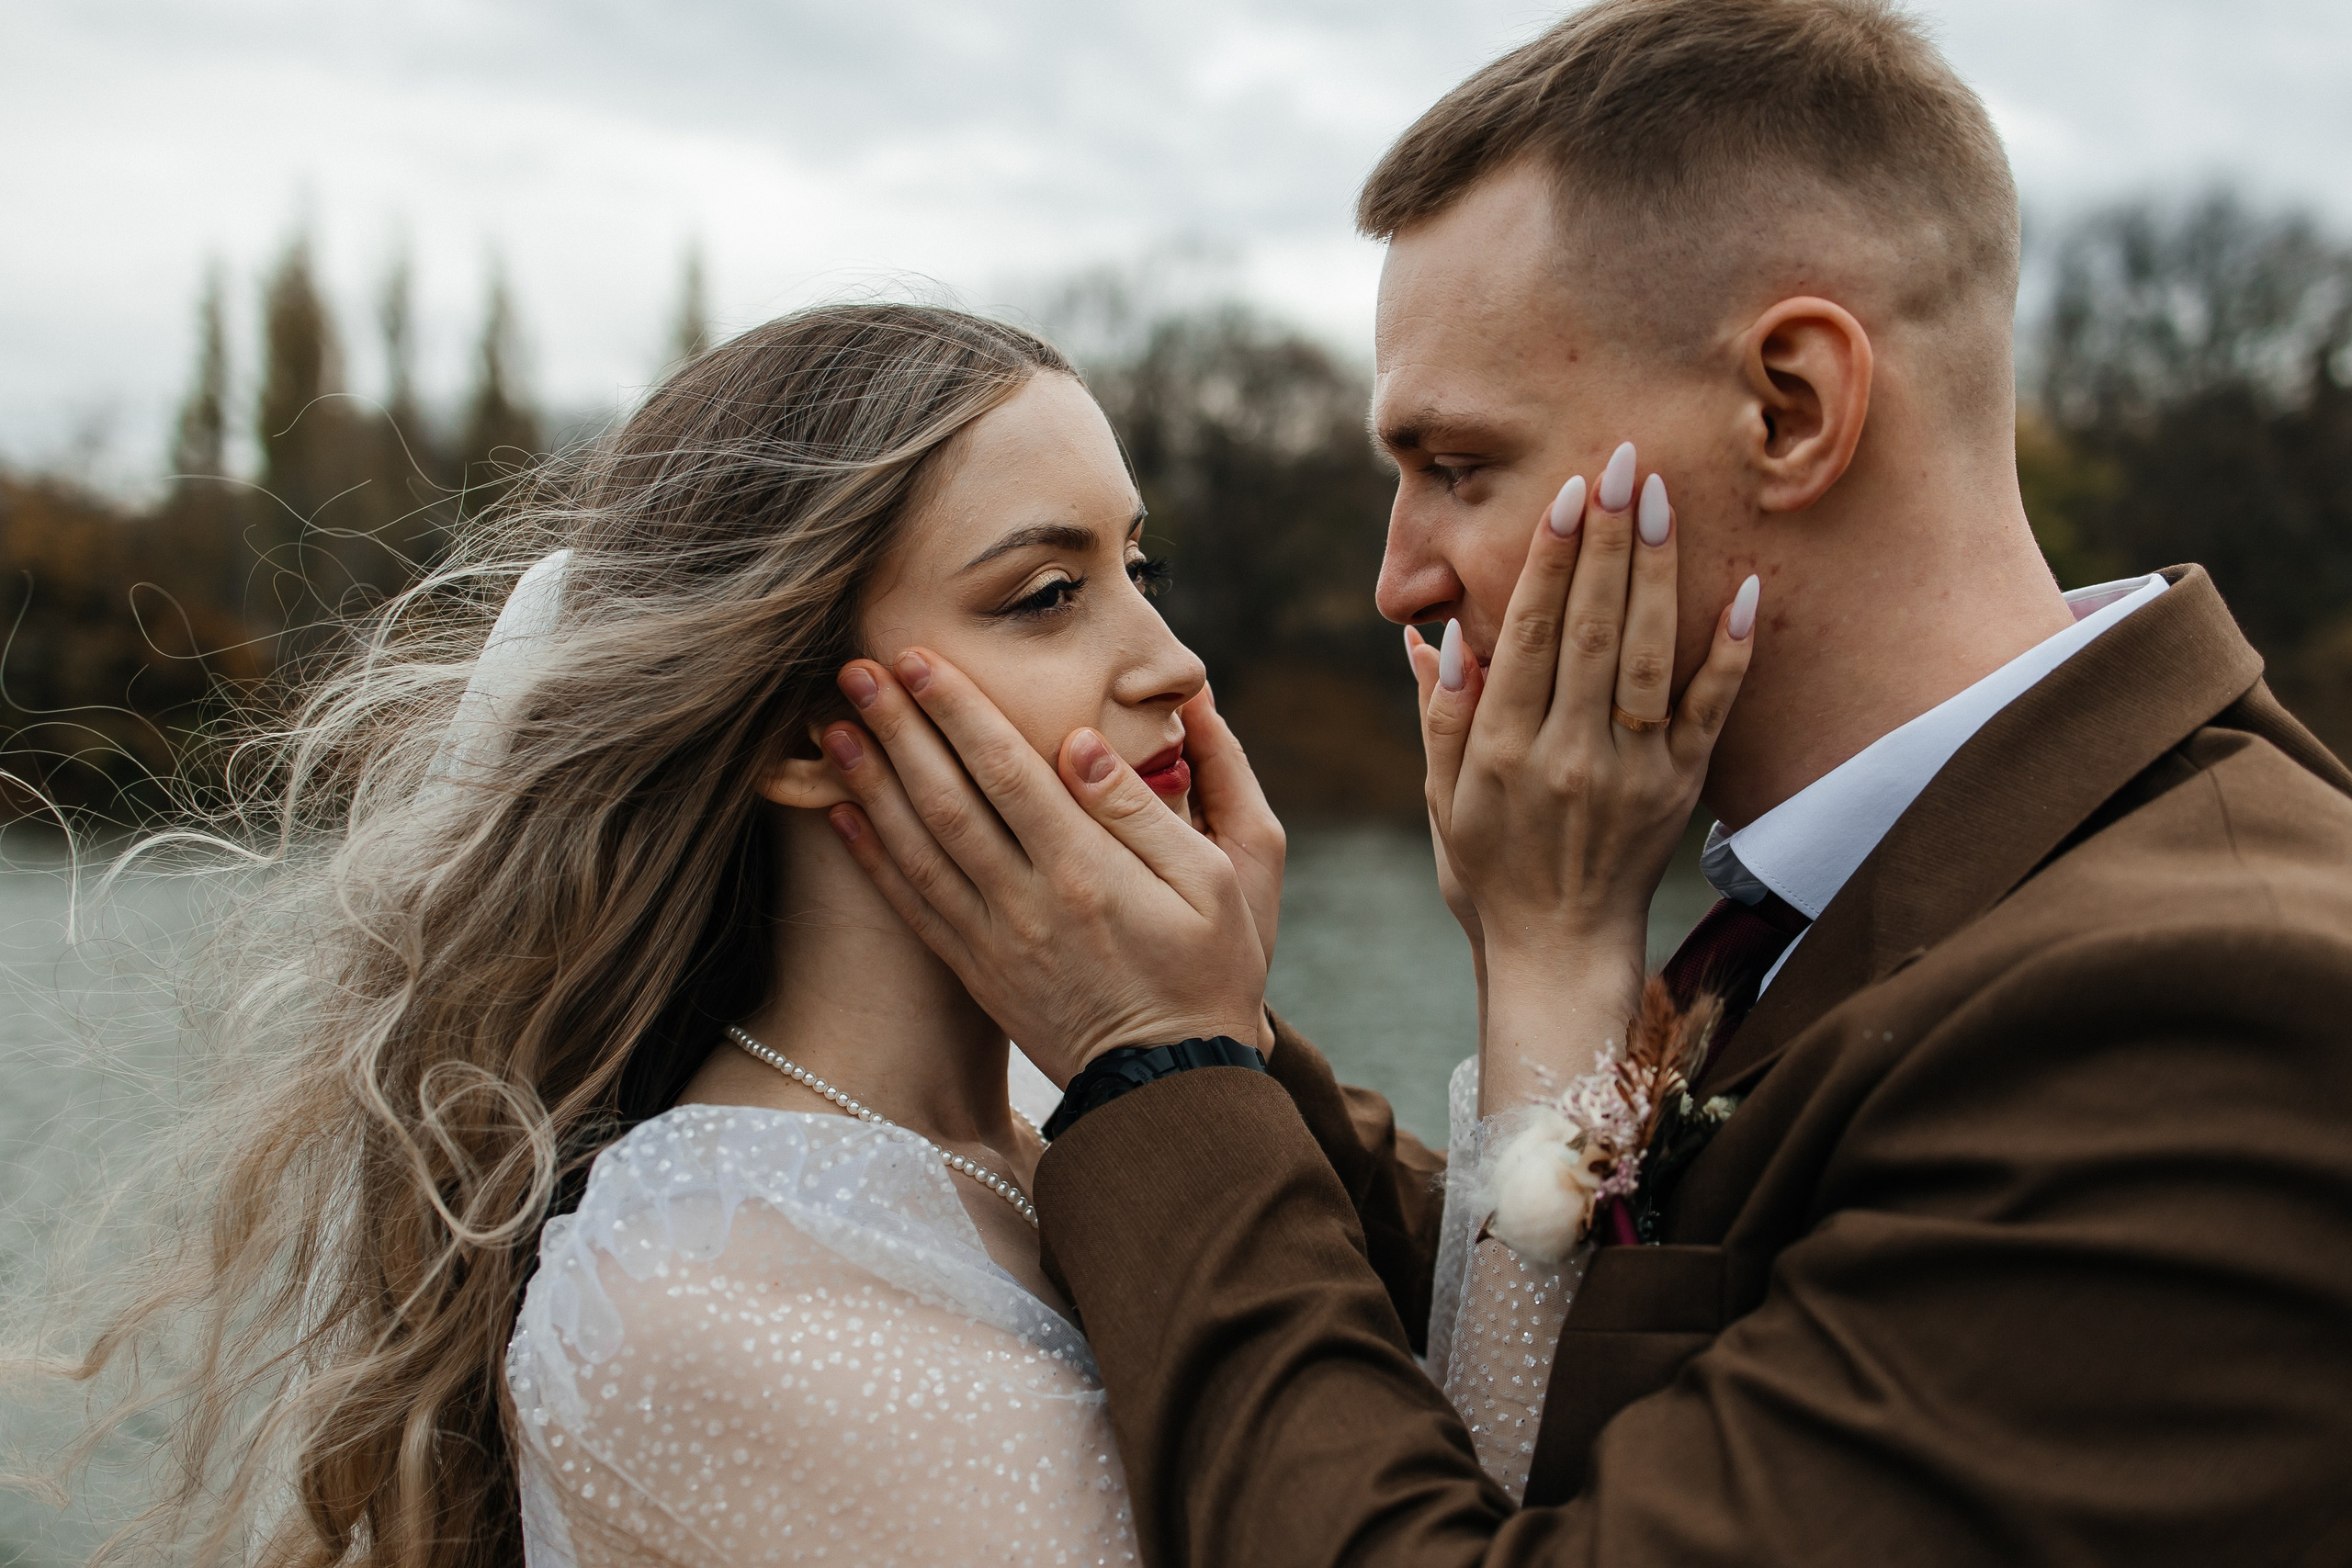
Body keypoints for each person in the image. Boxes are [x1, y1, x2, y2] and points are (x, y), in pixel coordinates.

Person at [815, 1, 2352, 1562]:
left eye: (1459, 467)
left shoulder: (2212, 1004)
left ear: (1791, 409)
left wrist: (1152, 1071)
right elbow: (1597, 1333)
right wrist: (1202, 1011)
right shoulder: (1927, 881)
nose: (1398, 580)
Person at [40, 303, 1258, 1567]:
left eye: (1139, 569)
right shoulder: (717, 1289)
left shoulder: (1046, 1143)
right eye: (1050, 594)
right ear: (799, 737)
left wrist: (1255, 1042)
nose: (1171, 661)